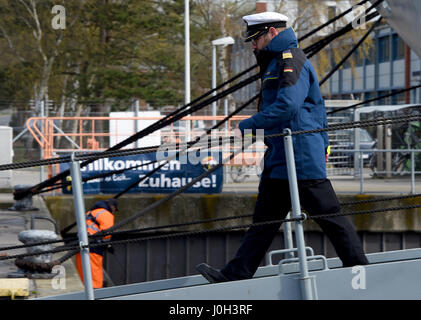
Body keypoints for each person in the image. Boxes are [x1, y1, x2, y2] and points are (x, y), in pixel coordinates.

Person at [196, 12, 369, 283]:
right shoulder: (277, 62)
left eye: (256, 38)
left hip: (299, 159)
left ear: (272, 33)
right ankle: (234, 275)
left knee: (331, 220)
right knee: (262, 225)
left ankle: (361, 271)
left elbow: (288, 105)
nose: (252, 45)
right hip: (281, 159)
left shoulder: (290, 60)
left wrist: (246, 126)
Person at [75, 198, 117, 288]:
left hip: (80, 245)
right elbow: (106, 233)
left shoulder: (91, 212)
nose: (114, 212)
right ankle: (96, 294)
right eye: (115, 209)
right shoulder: (106, 214)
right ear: (112, 207)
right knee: (95, 275)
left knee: (83, 274)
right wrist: (108, 245)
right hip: (93, 248)